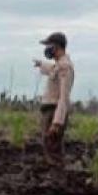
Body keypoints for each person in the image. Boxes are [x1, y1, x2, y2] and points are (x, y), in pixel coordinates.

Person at [33, 32, 74, 166]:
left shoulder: (65, 66)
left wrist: (57, 122)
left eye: (49, 46)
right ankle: (57, 176)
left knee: (52, 148)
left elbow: (64, 97)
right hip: (50, 111)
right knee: (50, 147)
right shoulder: (59, 65)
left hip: (54, 111)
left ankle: (57, 177)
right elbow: (51, 70)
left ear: (57, 47)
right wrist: (40, 64)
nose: (47, 49)